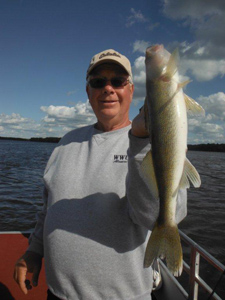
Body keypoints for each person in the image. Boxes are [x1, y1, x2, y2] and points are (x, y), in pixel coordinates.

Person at [13, 49, 187, 300]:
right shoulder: (65, 143)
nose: (108, 88)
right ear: (88, 92)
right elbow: (48, 208)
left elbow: (153, 217)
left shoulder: (153, 141)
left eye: (117, 81)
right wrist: (34, 251)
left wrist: (140, 140)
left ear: (131, 89)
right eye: (98, 82)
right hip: (58, 294)